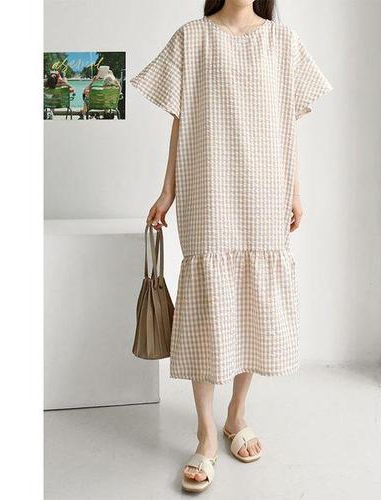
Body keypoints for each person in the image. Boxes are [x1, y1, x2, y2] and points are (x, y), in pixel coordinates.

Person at [130, 0, 332, 493]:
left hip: (265, 190)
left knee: (251, 303)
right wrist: (167, 190)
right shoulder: (191, 38)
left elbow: (287, 126)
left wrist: (295, 191)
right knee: (207, 307)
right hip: (208, 186)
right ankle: (204, 433)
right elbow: (179, 120)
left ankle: (236, 414)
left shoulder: (283, 42)